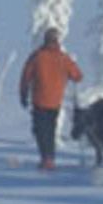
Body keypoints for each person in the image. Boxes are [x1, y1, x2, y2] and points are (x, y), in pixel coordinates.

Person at [19, 28, 83, 170]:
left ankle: (46, 158)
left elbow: (26, 77)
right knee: (50, 130)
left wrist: (23, 94)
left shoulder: (36, 56)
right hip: (55, 102)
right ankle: (50, 159)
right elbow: (78, 76)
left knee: (40, 130)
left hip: (39, 101)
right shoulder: (63, 58)